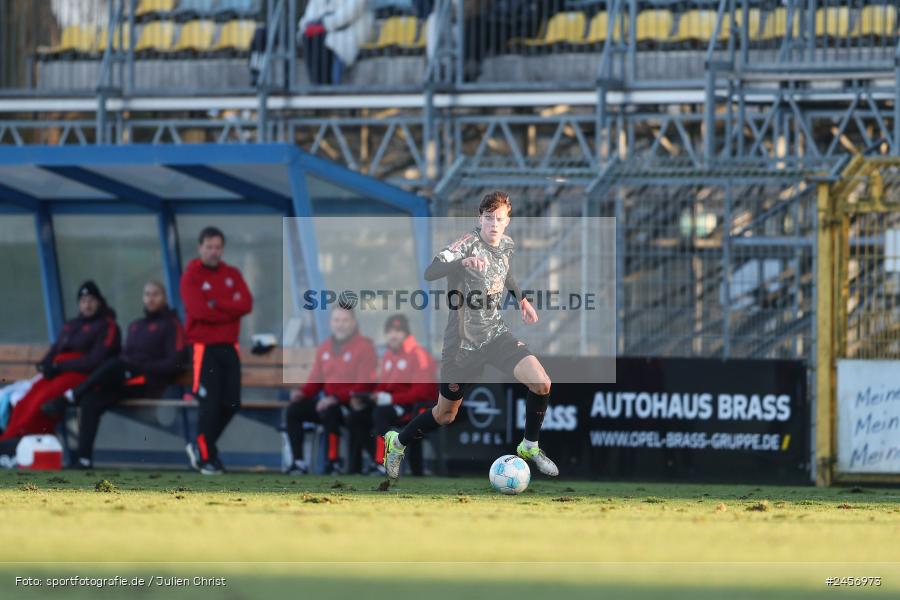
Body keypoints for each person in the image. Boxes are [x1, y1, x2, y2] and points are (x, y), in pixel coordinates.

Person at [382, 191, 558, 480]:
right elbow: (431, 271)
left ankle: (529, 446)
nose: (494, 223)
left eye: (499, 218)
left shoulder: (507, 245)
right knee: (445, 415)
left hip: (496, 335)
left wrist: (522, 299)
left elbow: (506, 273)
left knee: (541, 383)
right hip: (462, 343)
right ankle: (397, 442)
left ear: (507, 221)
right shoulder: (466, 244)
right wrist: (461, 263)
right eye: (488, 217)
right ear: (480, 218)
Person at [42, 281, 186, 469]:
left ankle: (71, 396)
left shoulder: (171, 325)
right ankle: (84, 459)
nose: (151, 299)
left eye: (155, 294)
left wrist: (145, 366)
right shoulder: (136, 326)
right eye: (147, 294)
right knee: (91, 400)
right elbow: (126, 355)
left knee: (114, 365)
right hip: (126, 380)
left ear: (164, 298)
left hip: (148, 382)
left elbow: (175, 363)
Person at [0, 281, 120, 442]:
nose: (87, 305)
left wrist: (60, 366)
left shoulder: (107, 325)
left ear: (99, 302)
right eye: (83, 301)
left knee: (42, 400)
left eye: (91, 300)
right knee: (25, 399)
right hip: (59, 372)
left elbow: (95, 360)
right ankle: (9, 438)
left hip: (82, 375)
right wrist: (46, 364)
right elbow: (56, 349)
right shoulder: (71, 325)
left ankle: (23, 440)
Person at [181, 227, 253, 475]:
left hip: (229, 347)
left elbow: (246, 303)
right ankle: (206, 455)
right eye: (209, 247)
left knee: (232, 403)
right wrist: (228, 311)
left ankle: (201, 446)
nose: (213, 252)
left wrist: (217, 304)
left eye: (218, 247)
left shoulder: (231, 273)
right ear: (200, 248)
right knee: (209, 404)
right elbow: (199, 311)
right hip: (204, 348)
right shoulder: (191, 276)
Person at [284, 305, 377, 475]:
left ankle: (333, 462)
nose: (340, 324)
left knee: (330, 410)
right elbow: (316, 380)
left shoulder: (364, 346)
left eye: (344, 320)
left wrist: (335, 398)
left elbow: (365, 384)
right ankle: (298, 462)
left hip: (353, 405)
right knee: (294, 410)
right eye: (336, 320)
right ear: (330, 323)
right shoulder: (325, 347)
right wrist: (303, 393)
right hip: (328, 403)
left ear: (353, 323)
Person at [365, 314, 437, 476]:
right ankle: (357, 464)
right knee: (359, 415)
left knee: (380, 413)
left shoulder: (418, 354)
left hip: (414, 408)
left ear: (406, 333)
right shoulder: (389, 355)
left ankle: (382, 463)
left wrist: (391, 399)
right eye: (390, 331)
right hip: (394, 405)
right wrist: (375, 396)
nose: (393, 335)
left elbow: (422, 392)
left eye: (398, 331)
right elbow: (384, 384)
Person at [298, 0, 373, 85]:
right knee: (309, 37)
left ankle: (327, 87)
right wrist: (310, 26)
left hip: (349, 33)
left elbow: (350, 12)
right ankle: (318, 86)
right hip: (327, 34)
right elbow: (308, 17)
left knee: (325, 42)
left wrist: (324, 24)